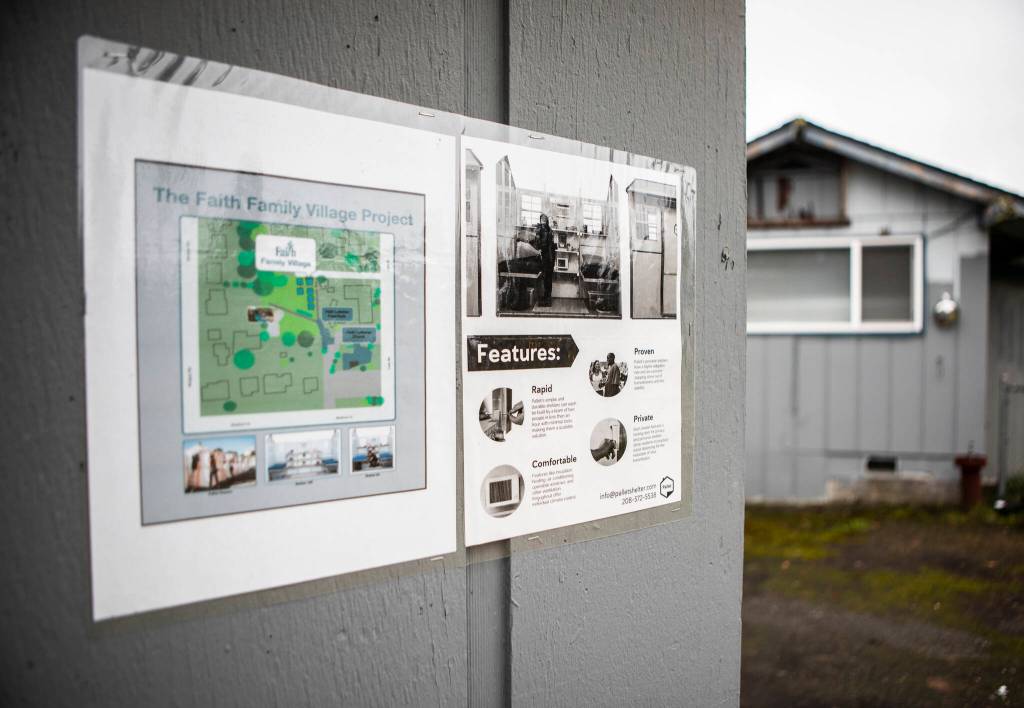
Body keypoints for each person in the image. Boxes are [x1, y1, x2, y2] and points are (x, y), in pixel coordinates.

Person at [527, 213, 555, 306]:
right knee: (548, 278)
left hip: (547, 256)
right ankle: (547, 298)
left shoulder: (541, 229)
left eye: (543, 220)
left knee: (546, 278)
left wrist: (534, 244)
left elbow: (541, 243)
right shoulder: (549, 229)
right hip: (551, 256)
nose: (542, 222)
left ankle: (546, 299)